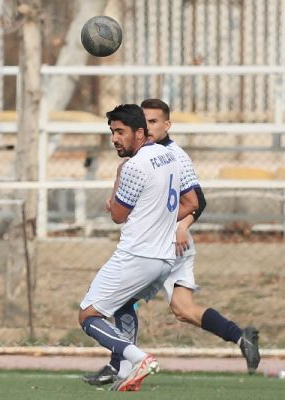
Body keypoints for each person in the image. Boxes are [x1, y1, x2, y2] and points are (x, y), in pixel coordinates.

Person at [83, 99, 261, 387]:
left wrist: (179, 224)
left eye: (153, 122)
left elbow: (196, 202)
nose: (148, 127)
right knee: (176, 307)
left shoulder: (172, 156)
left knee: (101, 309)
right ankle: (239, 335)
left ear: (165, 125)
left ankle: (129, 360)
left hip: (168, 244)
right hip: (161, 246)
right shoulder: (156, 156)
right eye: (145, 120)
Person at [78, 104, 198, 392]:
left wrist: (117, 182)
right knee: (121, 303)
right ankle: (126, 371)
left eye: (121, 132)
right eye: (112, 132)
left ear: (140, 132)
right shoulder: (170, 156)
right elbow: (191, 203)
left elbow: (118, 215)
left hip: (137, 255)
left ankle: (138, 358)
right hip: (165, 257)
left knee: (88, 315)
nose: (115, 139)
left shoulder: (132, 166)